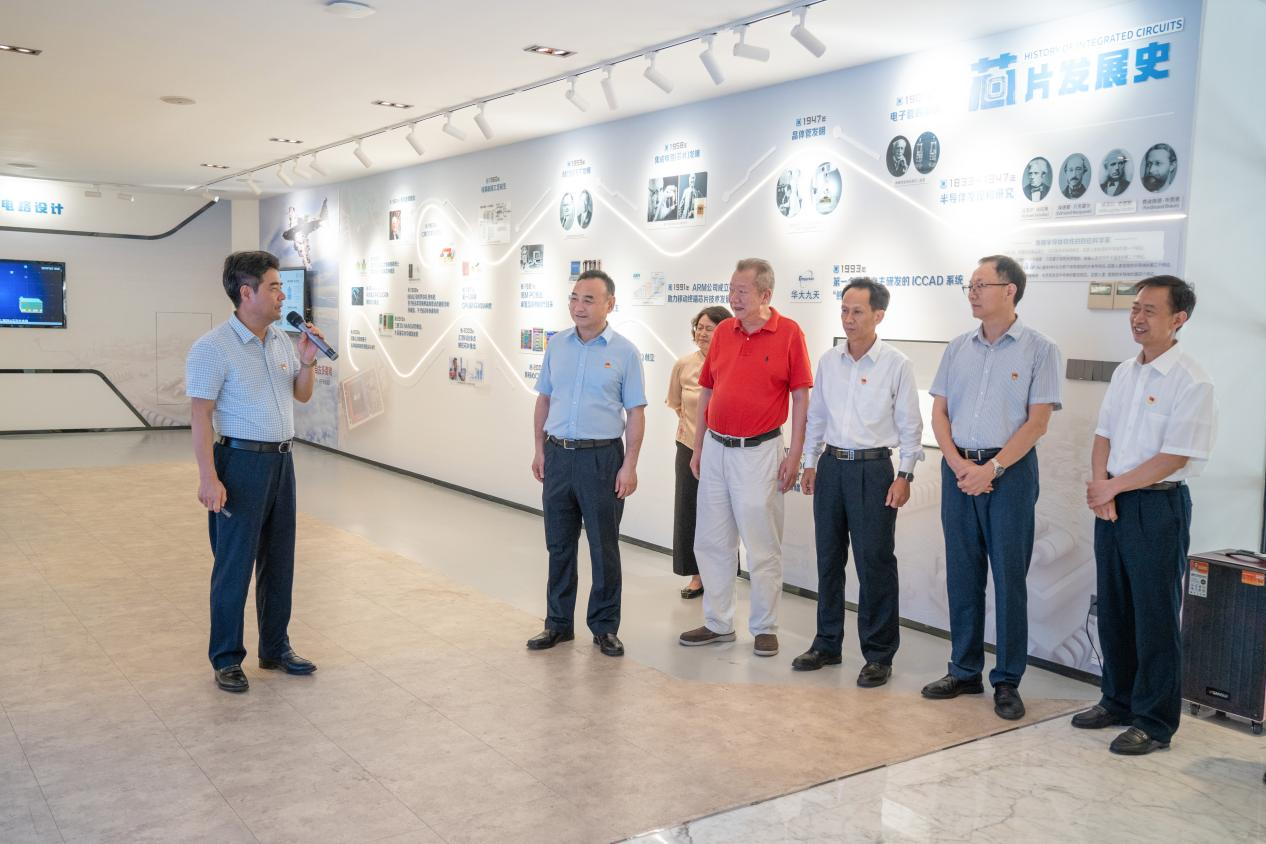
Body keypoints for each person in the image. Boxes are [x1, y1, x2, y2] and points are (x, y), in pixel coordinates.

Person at [1073, 276, 1216, 755]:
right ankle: (1116, 700)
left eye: (1150, 310)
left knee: (1154, 615)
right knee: (1113, 607)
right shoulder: (1125, 372)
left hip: (1157, 505)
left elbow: (1175, 456)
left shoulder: (1192, 380)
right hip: (1114, 502)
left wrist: (1112, 486)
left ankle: (1154, 723)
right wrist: (1101, 487)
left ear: (1179, 319)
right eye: (1135, 308)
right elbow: (1103, 435)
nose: (1137, 317)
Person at [921, 255, 1063, 720]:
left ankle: (1007, 680)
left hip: (1010, 475)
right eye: (970, 286)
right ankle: (964, 670)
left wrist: (993, 468)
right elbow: (939, 412)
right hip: (959, 470)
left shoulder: (1041, 349)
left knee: (1008, 579)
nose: (973, 293)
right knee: (962, 574)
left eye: (981, 285)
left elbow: (1037, 423)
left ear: (1010, 290)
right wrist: (958, 463)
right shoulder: (958, 347)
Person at [186, 251, 325, 694]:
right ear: (246, 293)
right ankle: (227, 658)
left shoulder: (282, 340)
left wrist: (308, 360)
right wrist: (209, 478)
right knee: (234, 566)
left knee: (279, 560)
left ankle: (275, 648)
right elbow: (200, 416)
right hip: (239, 464)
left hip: (282, 462)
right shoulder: (212, 348)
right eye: (273, 287)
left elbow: (301, 396)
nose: (282, 295)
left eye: (281, 286)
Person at [678, 258, 813, 657]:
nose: (733, 298)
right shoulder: (724, 331)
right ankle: (718, 622)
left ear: (765, 295)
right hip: (716, 448)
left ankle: (765, 626)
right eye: (731, 290)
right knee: (711, 539)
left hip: (760, 451)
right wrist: (699, 446)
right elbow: (707, 390)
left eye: (742, 292)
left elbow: (801, 397)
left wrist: (796, 455)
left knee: (762, 543)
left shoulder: (789, 333)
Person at [793, 279, 923, 686]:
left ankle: (879, 654)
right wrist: (810, 463)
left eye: (858, 312)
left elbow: (911, 426)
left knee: (875, 563)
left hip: (873, 470)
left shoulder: (896, 364)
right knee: (828, 559)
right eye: (844, 310)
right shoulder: (829, 361)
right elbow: (816, 416)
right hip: (831, 466)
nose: (848, 319)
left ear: (878, 315)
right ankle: (827, 643)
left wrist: (905, 474)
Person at [527, 270, 647, 658]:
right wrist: (539, 449)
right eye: (574, 298)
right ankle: (558, 624)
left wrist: (629, 465)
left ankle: (605, 627)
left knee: (603, 547)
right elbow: (544, 400)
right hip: (558, 455)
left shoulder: (625, 352)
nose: (578, 306)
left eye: (589, 300)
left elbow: (636, 413)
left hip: (602, 459)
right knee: (559, 545)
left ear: (610, 304)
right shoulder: (557, 345)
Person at [666, 305, 733, 599]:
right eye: (700, 327)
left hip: (724, 449)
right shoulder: (684, 364)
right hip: (689, 446)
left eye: (710, 328)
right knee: (689, 510)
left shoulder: (732, 363)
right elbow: (676, 403)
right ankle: (696, 575)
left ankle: (722, 574)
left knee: (723, 514)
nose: (702, 333)